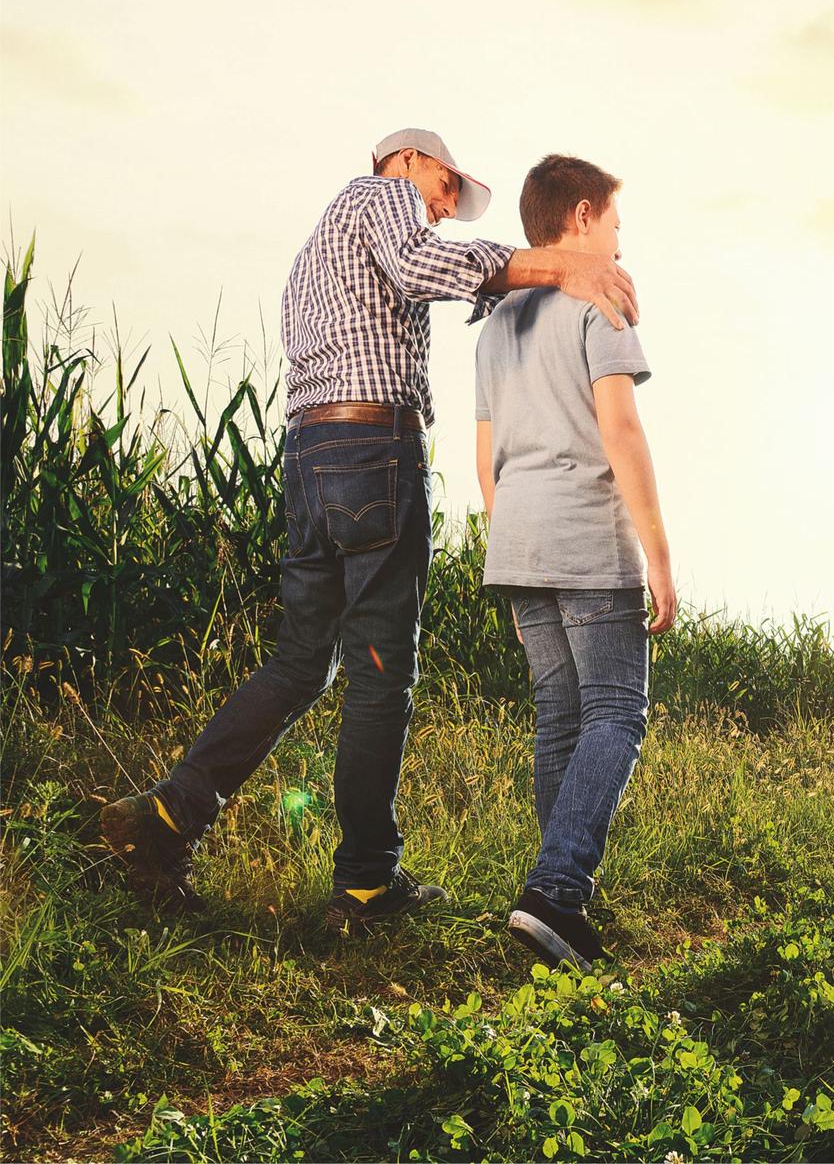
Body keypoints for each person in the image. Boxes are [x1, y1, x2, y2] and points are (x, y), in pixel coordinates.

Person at [100, 128, 639, 932]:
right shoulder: (379, 198)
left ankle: (167, 817)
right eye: (448, 185)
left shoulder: (320, 247)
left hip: (310, 454)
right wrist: (563, 264)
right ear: (410, 161)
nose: (447, 206)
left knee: (299, 663)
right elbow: (423, 267)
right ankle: (364, 884)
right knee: (381, 673)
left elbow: (435, 289)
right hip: (372, 455)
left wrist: (514, 288)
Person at [474, 154, 676, 971]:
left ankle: (549, 909)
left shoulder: (496, 322)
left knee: (560, 718)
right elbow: (621, 433)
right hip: (587, 535)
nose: (621, 243)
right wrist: (658, 556)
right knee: (618, 712)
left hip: (517, 539)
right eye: (617, 225)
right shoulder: (600, 299)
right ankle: (555, 889)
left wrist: (512, 538)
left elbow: (486, 454)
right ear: (584, 215)